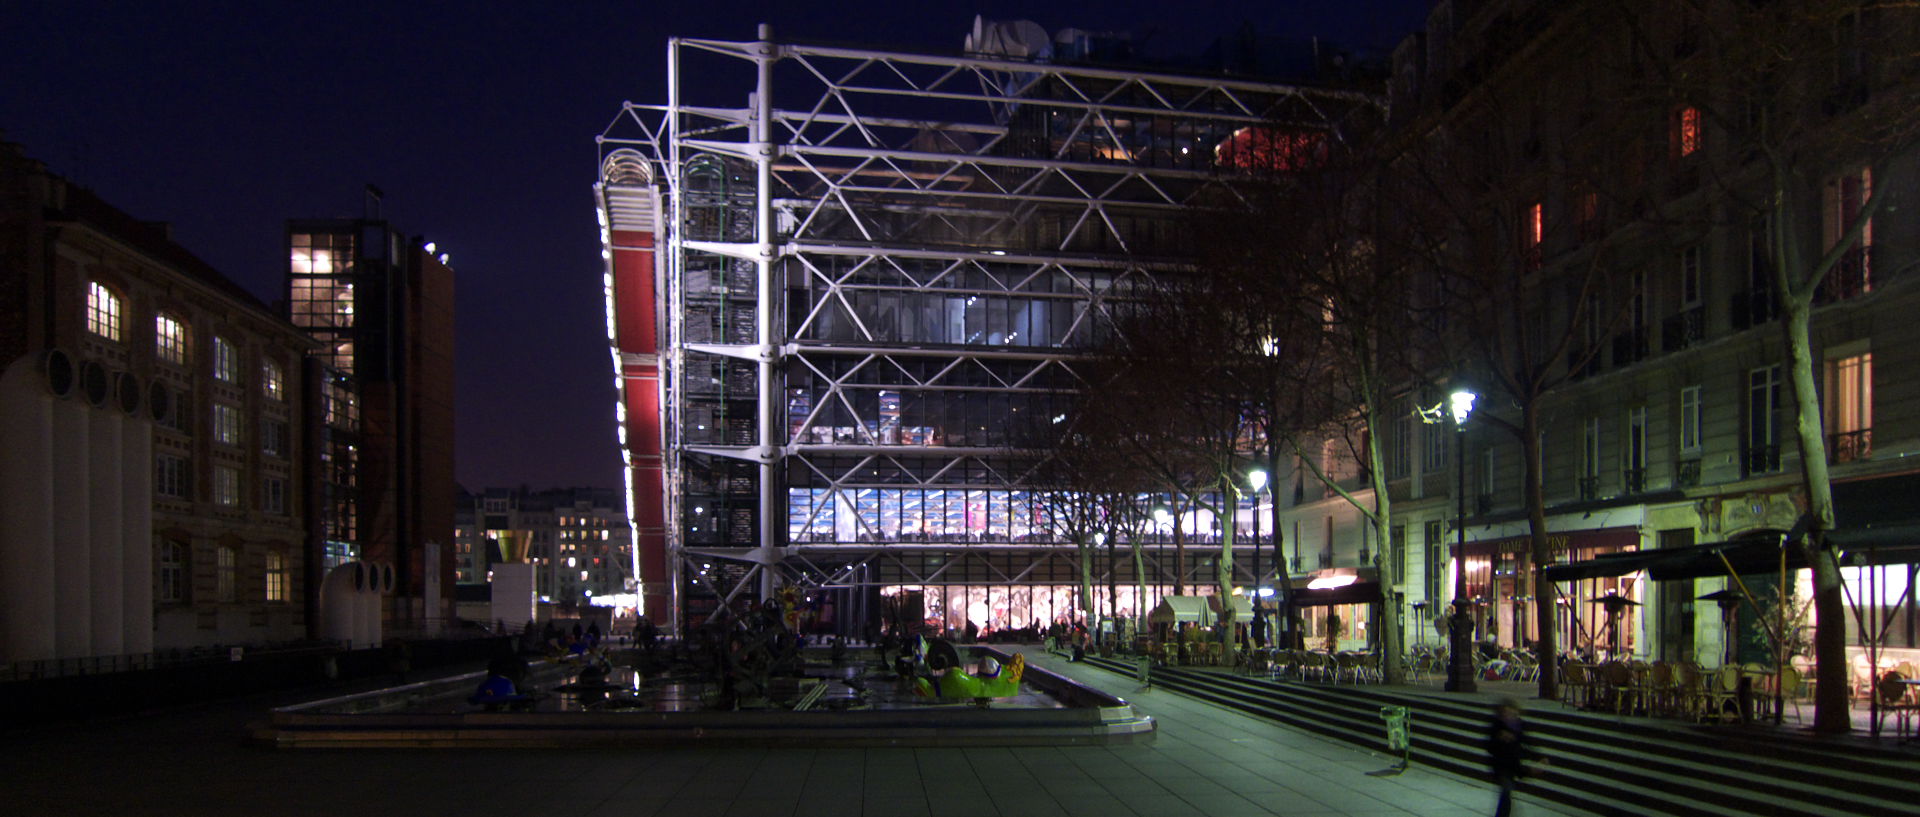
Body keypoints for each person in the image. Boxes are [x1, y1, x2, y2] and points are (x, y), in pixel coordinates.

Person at [1487, 698, 1545, 817]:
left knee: (1506, 794)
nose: (1509, 716)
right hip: (1500, 766)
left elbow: (1526, 742)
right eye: (1506, 713)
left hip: (1513, 765)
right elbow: (1489, 746)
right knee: (1506, 791)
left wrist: (1538, 757)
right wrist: (1499, 738)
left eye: (1511, 713)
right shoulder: (1496, 726)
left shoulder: (1519, 725)